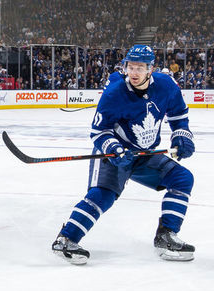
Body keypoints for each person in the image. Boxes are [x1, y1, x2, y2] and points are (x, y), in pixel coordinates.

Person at [52, 45, 195, 264]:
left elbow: (178, 114)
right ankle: (66, 239)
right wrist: (115, 150)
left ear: (151, 69)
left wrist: (182, 135)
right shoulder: (115, 92)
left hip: (145, 154)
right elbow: (99, 131)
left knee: (182, 179)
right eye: (130, 66)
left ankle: (166, 235)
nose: (134, 72)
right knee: (103, 195)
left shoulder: (166, 86)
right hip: (115, 154)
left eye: (140, 67)